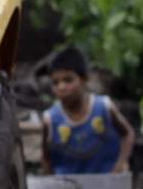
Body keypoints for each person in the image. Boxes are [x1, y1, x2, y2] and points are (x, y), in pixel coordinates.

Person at [42, 46, 135, 176]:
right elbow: (46, 158)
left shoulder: (104, 107)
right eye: (55, 82)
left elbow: (127, 134)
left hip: (106, 184)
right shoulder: (50, 119)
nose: (61, 87)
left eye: (68, 80)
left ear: (84, 79)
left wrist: (120, 165)